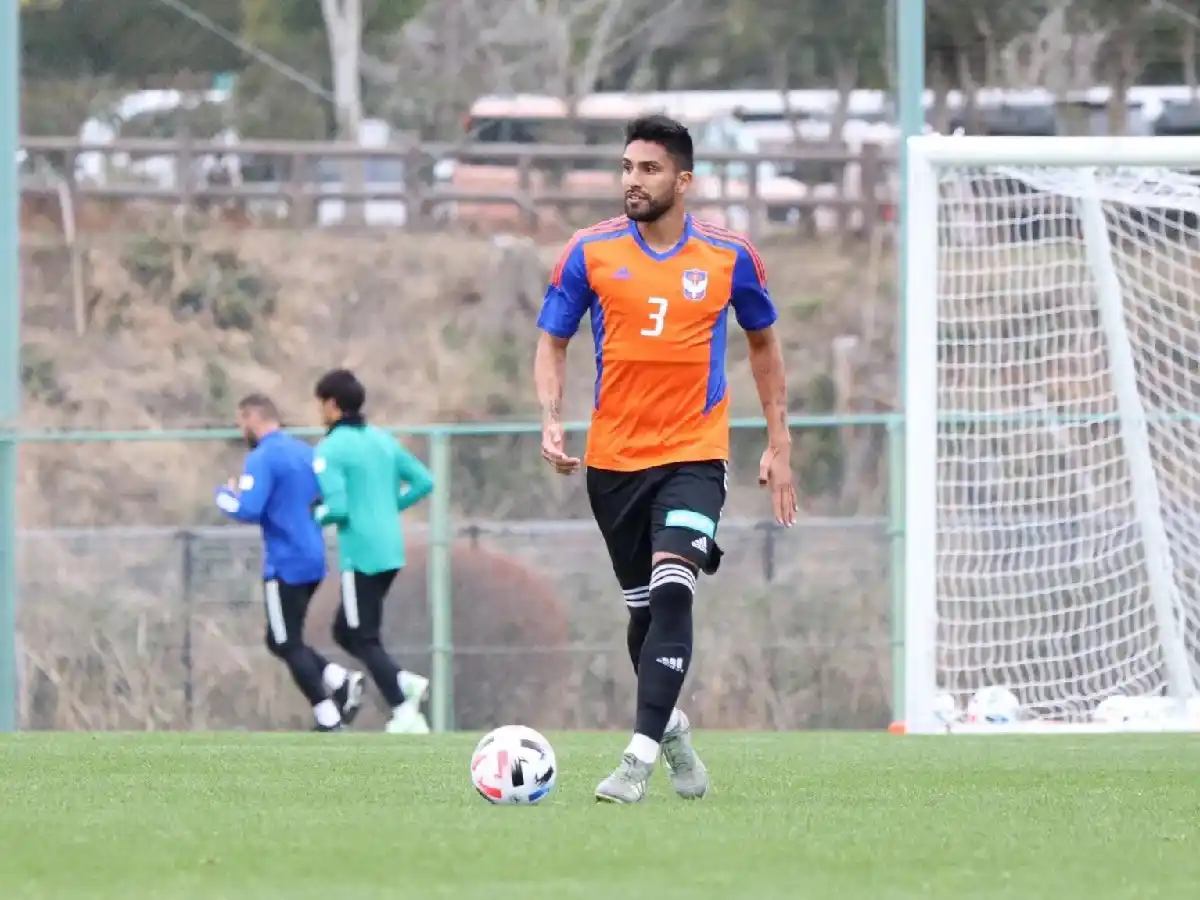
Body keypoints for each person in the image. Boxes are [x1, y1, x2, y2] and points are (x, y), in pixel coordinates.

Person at [533, 114, 797, 803]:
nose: (632, 181)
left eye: (648, 170)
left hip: (694, 455)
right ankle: (671, 727)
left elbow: (764, 345)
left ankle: (637, 757)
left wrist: (779, 442)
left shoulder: (728, 255)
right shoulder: (589, 252)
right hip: (614, 465)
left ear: (683, 181)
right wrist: (553, 419)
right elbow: (553, 340)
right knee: (645, 614)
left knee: (676, 583)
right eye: (626, 168)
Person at [214, 393, 366, 732]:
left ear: (252, 418)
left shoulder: (262, 457)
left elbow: (249, 509)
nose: (242, 431)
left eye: (241, 423)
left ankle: (328, 717)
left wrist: (224, 496)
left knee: (285, 642)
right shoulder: (304, 452)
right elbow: (324, 495)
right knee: (281, 639)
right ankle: (340, 680)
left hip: (285, 562)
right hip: (313, 556)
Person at [312, 369, 436, 734]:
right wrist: (387, 507)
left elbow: (336, 508)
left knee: (361, 635)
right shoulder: (383, 441)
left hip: (360, 552)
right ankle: (402, 681)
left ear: (332, 406)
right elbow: (424, 481)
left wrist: (314, 516)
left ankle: (404, 709)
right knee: (347, 630)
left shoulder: (330, 448)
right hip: (390, 550)